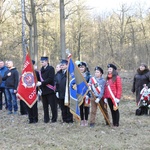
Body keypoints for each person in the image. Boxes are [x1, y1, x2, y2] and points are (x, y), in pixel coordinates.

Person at [36, 57, 57, 123]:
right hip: (43, 90)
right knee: (45, 106)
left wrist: (42, 83)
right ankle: (46, 119)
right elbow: (39, 79)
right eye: (41, 62)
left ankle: (54, 119)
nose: (42, 63)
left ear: (47, 62)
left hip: (50, 90)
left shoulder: (51, 68)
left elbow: (50, 78)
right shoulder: (41, 70)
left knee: (53, 106)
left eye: (43, 62)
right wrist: (39, 89)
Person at [55, 59, 73, 124]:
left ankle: (70, 119)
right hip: (60, 92)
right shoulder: (58, 73)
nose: (62, 66)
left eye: (63, 65)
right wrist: (56, 91)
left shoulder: (69, 73)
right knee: (62, 107)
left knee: (68, 107)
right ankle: (64, 119)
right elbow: (56, 83)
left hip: (68, 93)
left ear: (66, 65)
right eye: (61, 65)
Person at [78, 62, 91, 126]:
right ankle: (82, 120)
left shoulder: (88, 75)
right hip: (79, 93)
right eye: (80, 67)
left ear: (85, 67)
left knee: (86, 107)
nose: (81, 68)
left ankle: (86, 119)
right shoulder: (77, 75)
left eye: (82, 67)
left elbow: (90, 83)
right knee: (80, 107)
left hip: (86, 93)